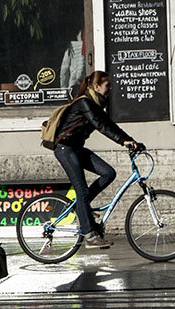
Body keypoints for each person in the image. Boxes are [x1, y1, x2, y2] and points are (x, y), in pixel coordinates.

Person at [50, 71, 141, 249]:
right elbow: (100, 126)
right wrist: (123, 141)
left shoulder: (97, 105)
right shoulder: (85, 102)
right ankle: (90, 236)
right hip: (65, 149)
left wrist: (131, 141)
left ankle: (82, 209)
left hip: (76, 149)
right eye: (107, 85)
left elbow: (109, 124)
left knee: (108, 173)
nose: (110, 88)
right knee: (82, 190)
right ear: (96, 86)